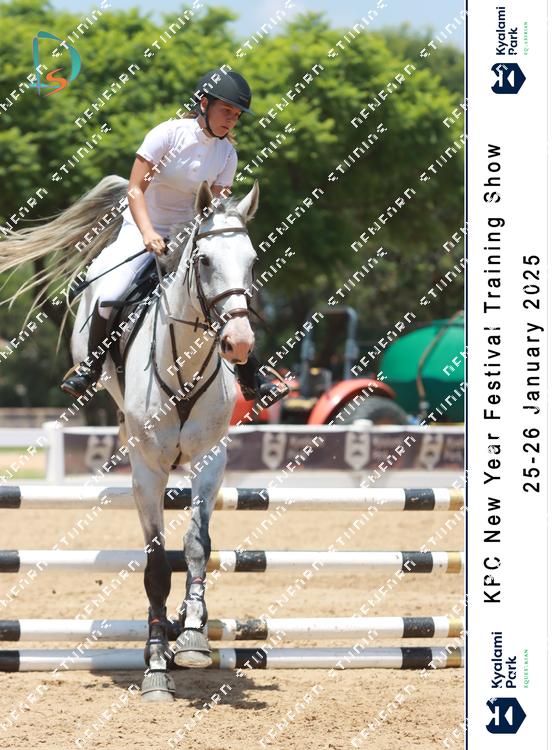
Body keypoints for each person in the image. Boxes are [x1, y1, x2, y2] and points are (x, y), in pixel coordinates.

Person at [60, 69, 289, 406]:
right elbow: (135, 190)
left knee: (226, 292)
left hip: (187, 235)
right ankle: (91, 368)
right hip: (141, 227)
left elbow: (211, 209)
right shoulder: (167, 135)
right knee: (109, 292)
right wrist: (148, 232)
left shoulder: (227, 155)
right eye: (226, 111)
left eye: (237, 114)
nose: (232, 120)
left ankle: (250, 374)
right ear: (204, 104)